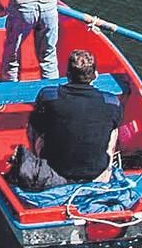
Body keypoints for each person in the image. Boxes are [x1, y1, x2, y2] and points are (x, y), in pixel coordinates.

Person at [26, 49, 122, 183]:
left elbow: (36, 126)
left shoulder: (48, 96)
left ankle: (38, 163)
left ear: (68, 74)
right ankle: (106, 170)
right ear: (95, 75)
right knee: (114, 129)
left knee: (33, 123)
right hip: (96, 170)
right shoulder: (112, 102)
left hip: (55, 167)